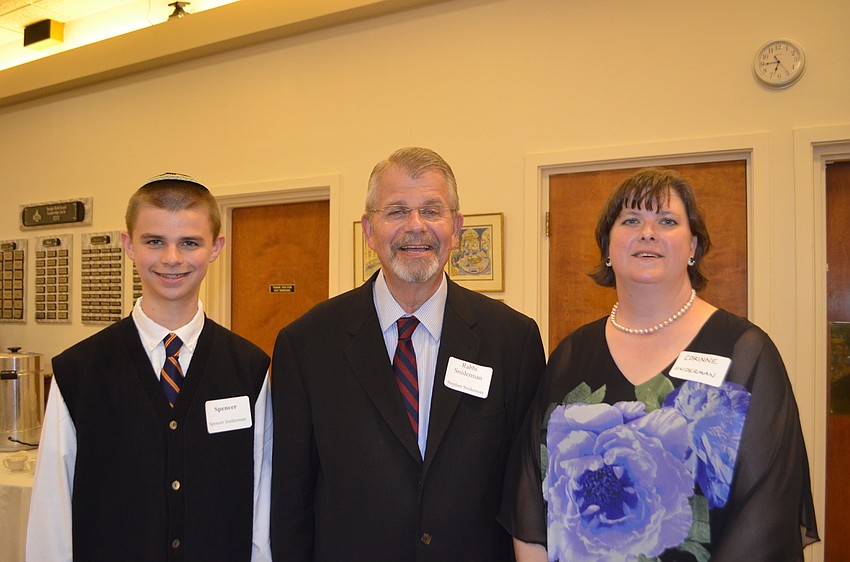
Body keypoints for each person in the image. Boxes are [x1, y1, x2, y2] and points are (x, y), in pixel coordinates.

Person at [500, 168, 820, 561]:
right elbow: (531, 495)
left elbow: (767, 512)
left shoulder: (746, 353)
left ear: (693, 246)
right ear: (608, 246)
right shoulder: (570, 354)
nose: (648, 233)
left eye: (667, 221)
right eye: (631, 221)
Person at [270, 147, 546, 561]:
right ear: (369, 230)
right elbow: (290, 501)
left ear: (456, 227)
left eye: (431, 211)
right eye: (396, 211)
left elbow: (526, 490)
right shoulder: (306, 344)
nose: (415, 226)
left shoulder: (512, 340)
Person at [27, 173, 273, 561]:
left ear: (215, 247)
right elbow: (51, 513)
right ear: (129, 244)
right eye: (154, 241)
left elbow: (260, 506)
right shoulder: (78, 372)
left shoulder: (249, 368)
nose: (172, 258)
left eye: (189, 242)